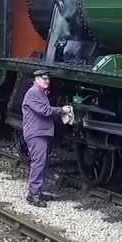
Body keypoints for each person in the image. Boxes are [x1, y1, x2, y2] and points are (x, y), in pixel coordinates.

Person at [20, 70, 72, 207]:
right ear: (36, 79)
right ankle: (33, 194)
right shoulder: (34, 93)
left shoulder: (40, 93)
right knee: (39, 163)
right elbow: (45, 111)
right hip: (36, 133)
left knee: (42, 162)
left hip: (41, 132)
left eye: (48, 79)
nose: (47, 81)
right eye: (44, 79)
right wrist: (62, 110)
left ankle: (38, 191)